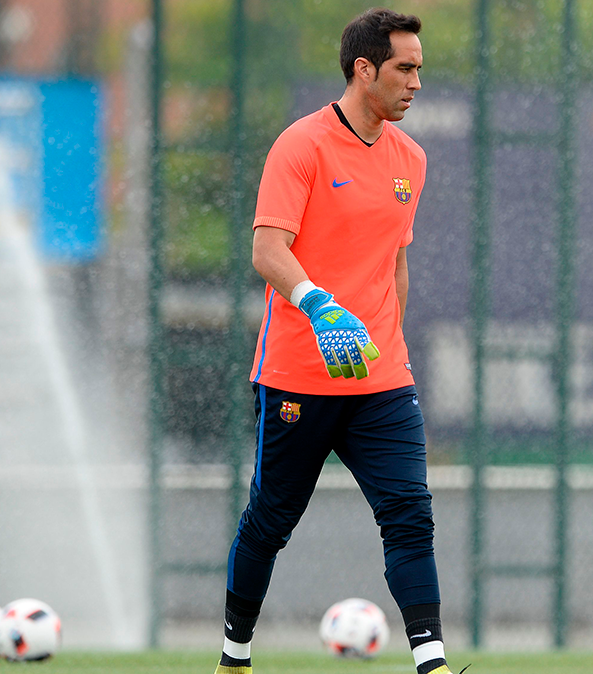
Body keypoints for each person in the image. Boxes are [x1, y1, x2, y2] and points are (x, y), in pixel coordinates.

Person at [214, 8, 461, 674]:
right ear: (364, 69)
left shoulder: (411, 157)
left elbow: (394, 263)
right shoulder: (302, 145)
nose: (415, 82)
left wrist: (388, 343)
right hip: (297, 377)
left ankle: (431, 664)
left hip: (380, 381)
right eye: (404, 68)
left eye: (419, 68)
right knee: (270, 520)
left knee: (410, 513)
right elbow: (269, 249)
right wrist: (319, 306)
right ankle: (233, 658)